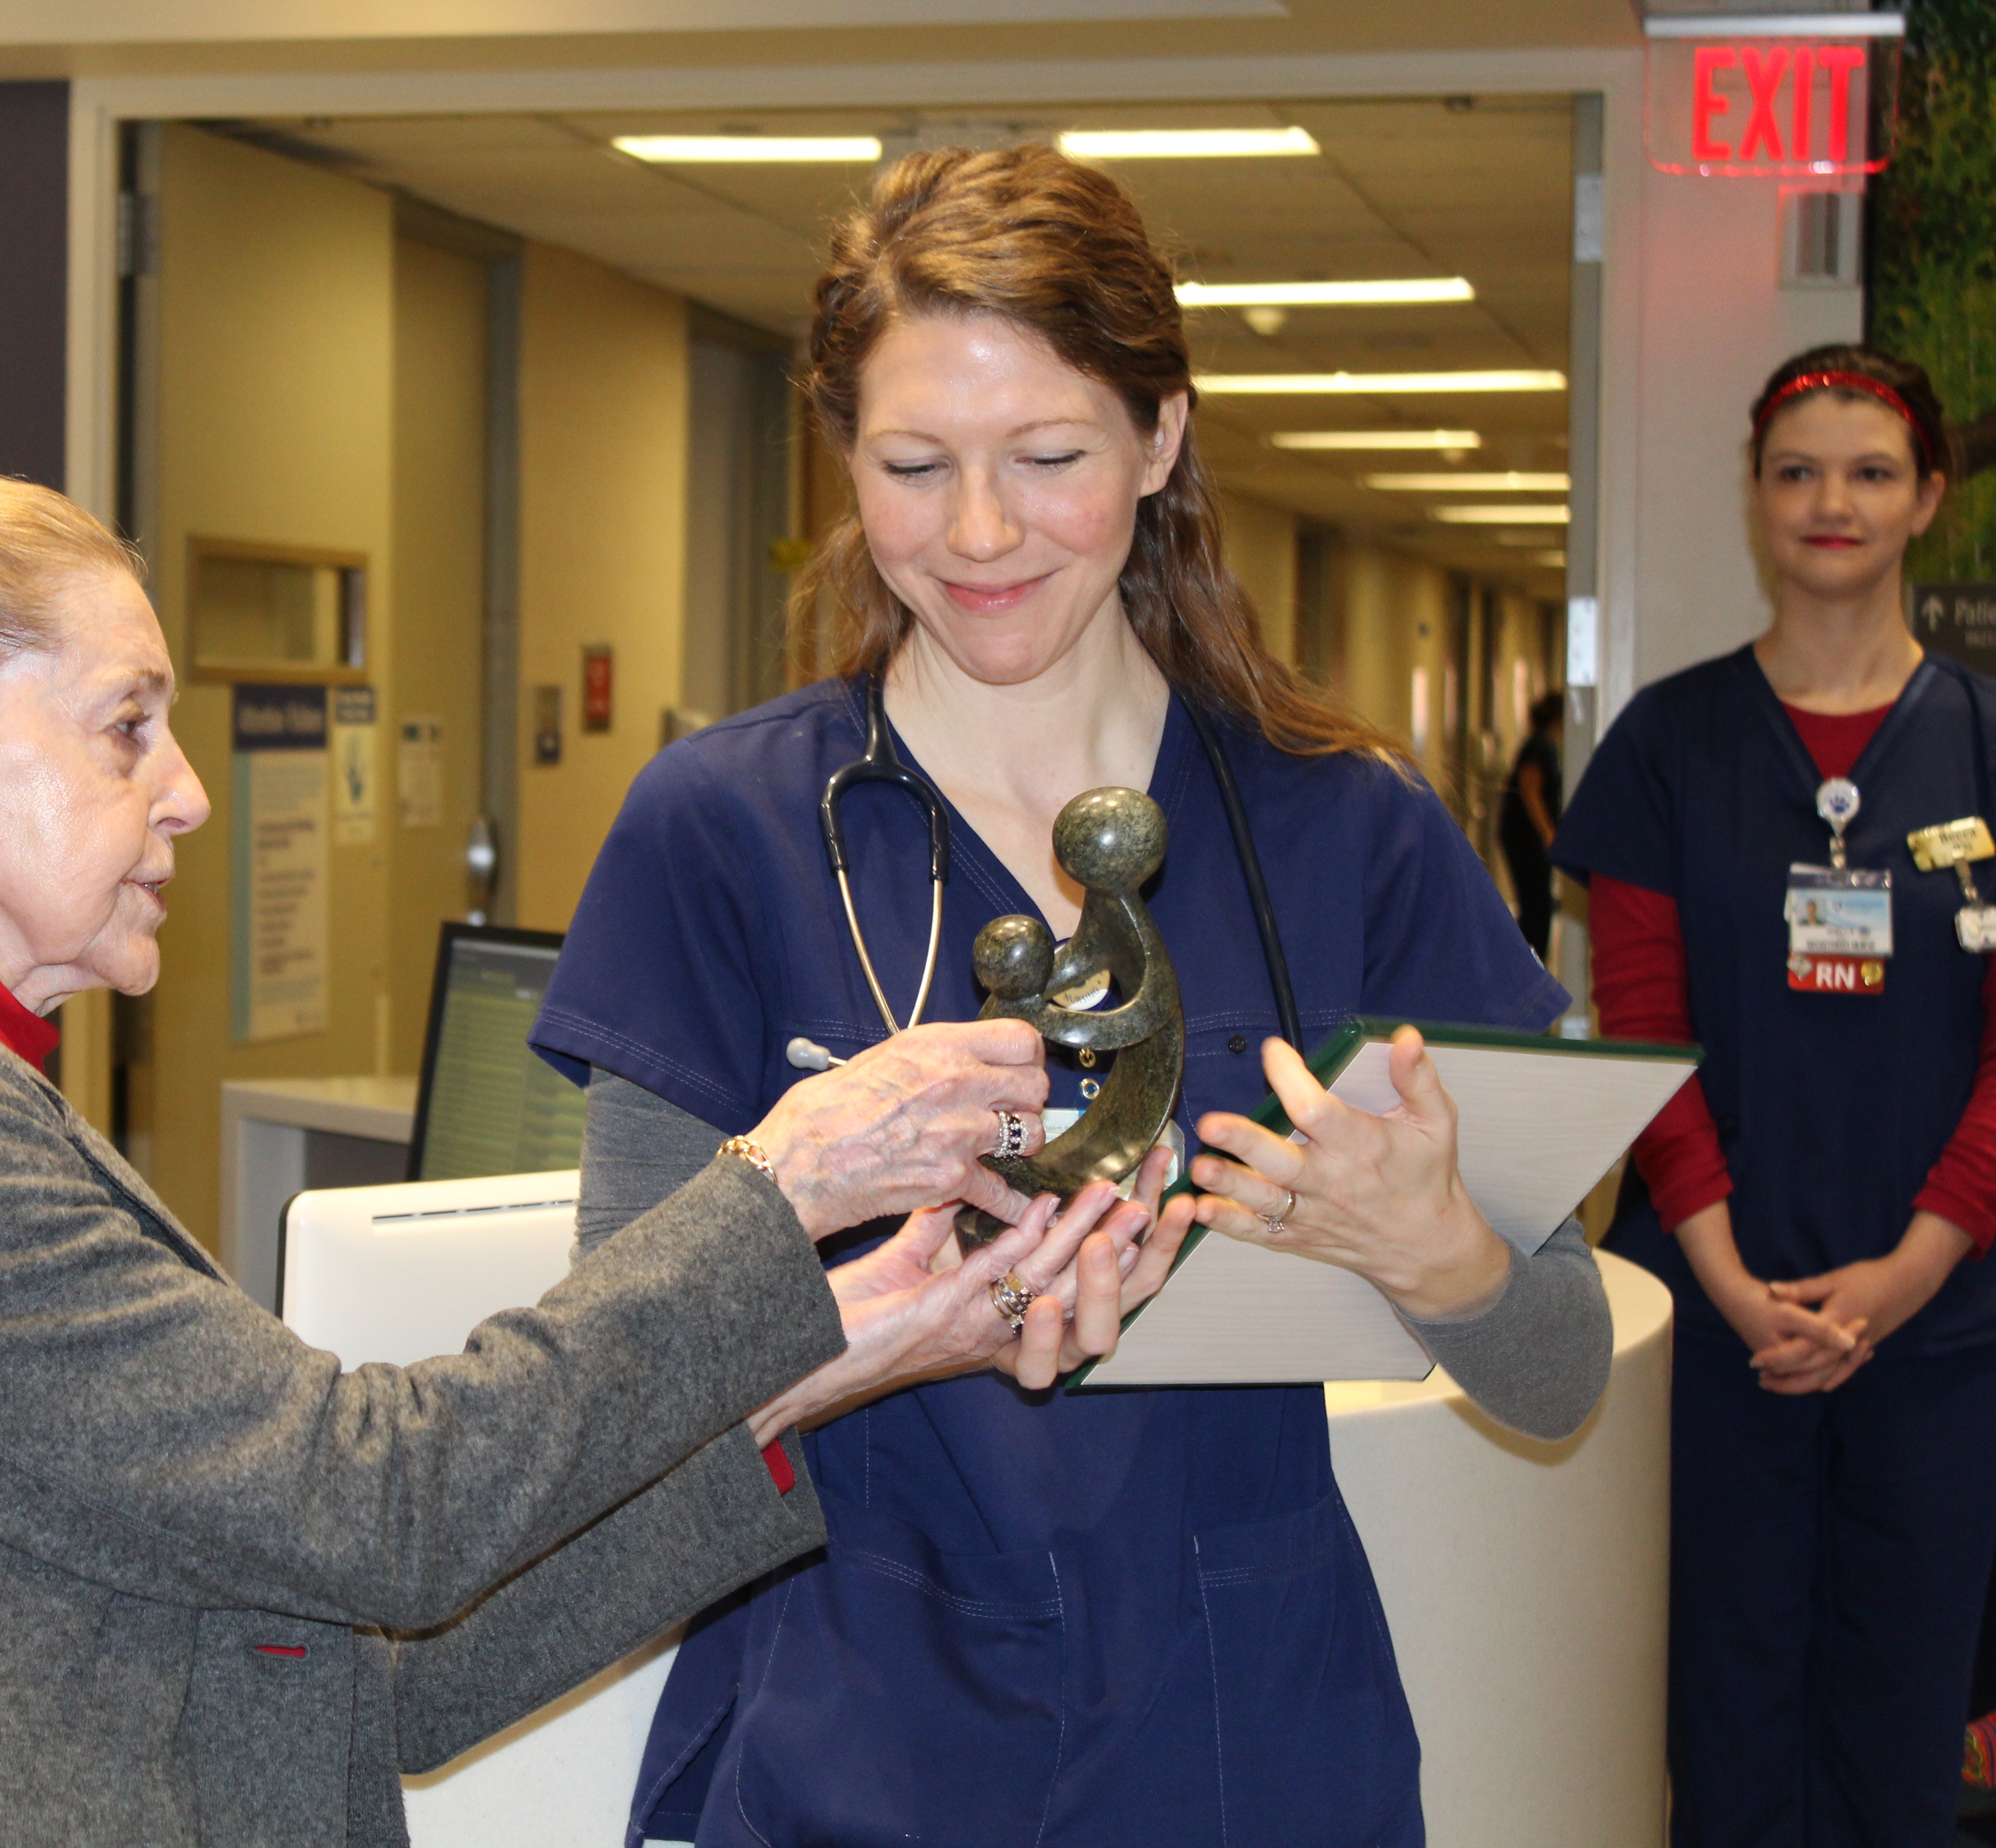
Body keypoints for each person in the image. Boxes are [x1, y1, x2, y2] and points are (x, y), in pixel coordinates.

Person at [0, 465, 1188, 1848]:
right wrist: (785, 1183)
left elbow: (353, 1675)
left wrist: (841, 1348)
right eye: (124, 727)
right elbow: (379, 1506)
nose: (186, 794)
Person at [531, 145, 1613, 1848]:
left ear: (1160, 438)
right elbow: (605, 1398)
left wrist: (1441, 1256)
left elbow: (1558, 1368)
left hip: (1245, 1726)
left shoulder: (1344, 830)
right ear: (846, 458)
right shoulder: (726, 831)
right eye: (914, 466)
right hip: (848, 1723)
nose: (979, 532)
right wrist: (872, 1319)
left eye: (1048, 458)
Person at [1552, 344, 1996, 1848]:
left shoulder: (1982, 742)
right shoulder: (1669, 747)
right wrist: (1730, 1277)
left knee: (1904, 1738)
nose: (1830, 501)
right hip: (1712, 1320)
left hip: (1941, 1327)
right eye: (1796, 471)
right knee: (1724, 1730)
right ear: (1754, 495)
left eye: (1870, 471)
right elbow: (1644, 1028)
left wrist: (1914, 1265)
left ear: (1926, 498)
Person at [1498, 688, 1566, 956]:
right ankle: (1529, 962)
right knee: (1536, 906)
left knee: (1537, 905)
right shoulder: (1540, 746)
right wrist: (1548, 833)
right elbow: (1531, 789)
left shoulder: (1542, 744)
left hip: (1525, 836)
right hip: (1526, 839)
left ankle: (1531, 959)